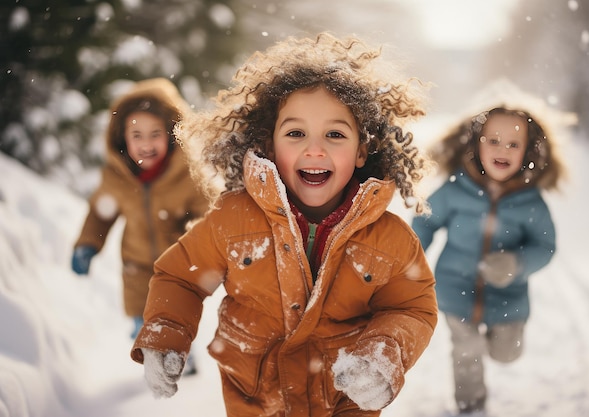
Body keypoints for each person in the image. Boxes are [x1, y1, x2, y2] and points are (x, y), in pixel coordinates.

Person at [130, 33, 438, 416]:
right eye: (296, 133)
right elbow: (181, 278)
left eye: (335, 134)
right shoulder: (234, 219)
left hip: (344, 400)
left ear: (361, 151)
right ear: (270, 146)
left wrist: (383, 353)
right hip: (256, 398)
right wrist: (166, 334)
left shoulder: (389, 238)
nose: (315, 149)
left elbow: (413, 309)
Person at [411, 89, 567, 414]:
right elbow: (425, 221)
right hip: (455, 289)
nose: (502, 150)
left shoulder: (531, 202)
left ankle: (500, 347)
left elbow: (545, 245)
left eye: (513, 144)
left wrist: (517, 263)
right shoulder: (456, 189)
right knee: (466, 348)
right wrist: (413, 255)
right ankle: (471, 406)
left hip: (508, 295)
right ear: (476, 143)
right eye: (493, 140)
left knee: (506, 353)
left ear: (526, 151)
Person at [71, 78, 208, 344]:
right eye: (137, 136)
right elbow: (101, 214)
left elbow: (207, 211)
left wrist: (196, 232)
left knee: (173, 316)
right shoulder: (117, 178)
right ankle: (146, 340)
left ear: (170, 135)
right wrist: (87, 245)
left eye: (155, 134)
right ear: (122, 138)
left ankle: (176, 350)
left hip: (176, 264)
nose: (146, 144)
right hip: (136, 265)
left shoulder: (186, 175)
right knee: (142, 319)